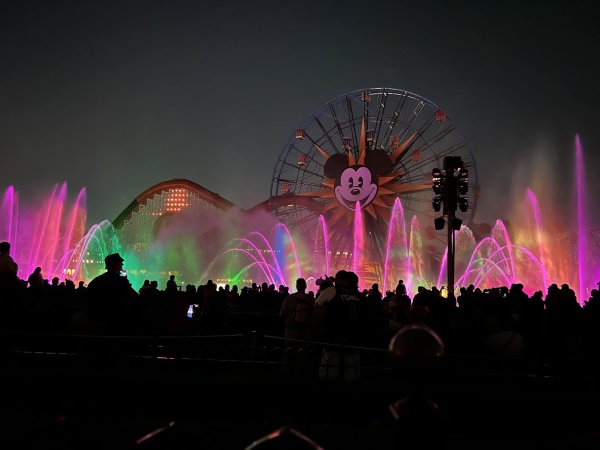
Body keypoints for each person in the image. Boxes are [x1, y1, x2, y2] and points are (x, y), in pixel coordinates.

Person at [84, 253, 139, 334]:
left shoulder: (96, 281)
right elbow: (132, 298)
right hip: (118, 322)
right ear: (116, 265)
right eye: (121, 263)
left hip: (98, 323)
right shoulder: (121, 282)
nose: (122, 264)